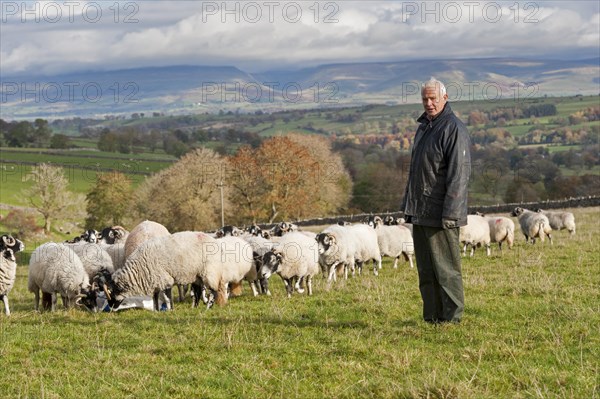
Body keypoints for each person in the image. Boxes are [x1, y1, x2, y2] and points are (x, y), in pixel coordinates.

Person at [401, 78, 471, 324]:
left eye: (433, 98)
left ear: (445, 98)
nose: (429, 103)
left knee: (446, 269)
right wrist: (408, 206)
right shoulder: (424, 128)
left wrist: (451, 214)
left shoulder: (453, 128)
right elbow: (418, 172)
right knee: (426, 270)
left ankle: (452, 319)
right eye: (425, 99)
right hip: (420, 210)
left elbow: (458, 175)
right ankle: (432, 317)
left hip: (442, 212)